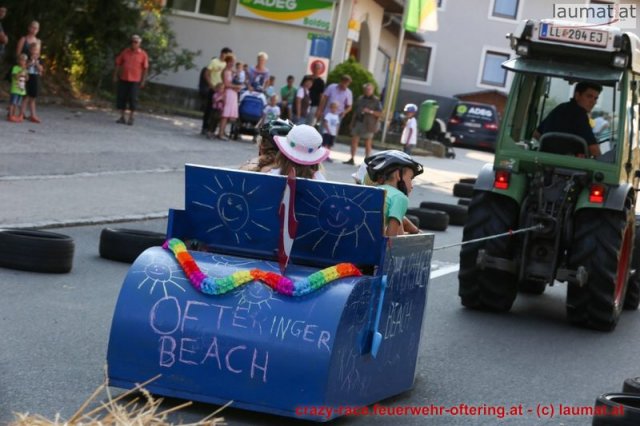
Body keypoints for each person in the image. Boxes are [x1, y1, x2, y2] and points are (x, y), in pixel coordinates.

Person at [533, 81, 602, 157]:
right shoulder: (580, 115)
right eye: (589, 96)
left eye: (595, 98)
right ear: (577, 95)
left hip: (544, 160)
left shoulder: (560, 108)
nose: (593, 102)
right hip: (569, 163)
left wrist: (551, 147)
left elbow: (536, 134)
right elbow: (594, 150)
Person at [365, 150, 424, 237]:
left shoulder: (374, 190)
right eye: (411, 178)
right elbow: (391, 238)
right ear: (398, 175)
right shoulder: (399, 197)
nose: (412, 185)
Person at [113, 34, 149, 125]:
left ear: (139, 43)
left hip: (135, 80)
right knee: (122, 98)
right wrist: (115, 75)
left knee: (133, 99)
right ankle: (122, 117)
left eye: (136, 42)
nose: (133, 44)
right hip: (124, 78)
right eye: (132, 42)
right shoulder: (125, 52)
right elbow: (118, 63)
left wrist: (143, 80)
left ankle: (131, 118)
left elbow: (145, 68)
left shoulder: (143, 54)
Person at [316, 75, 353, 159]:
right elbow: (324, 98)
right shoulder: (332, 87)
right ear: (341, 81)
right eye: (344, 82)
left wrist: (344, 112)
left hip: (337, 116)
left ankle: (327, 154)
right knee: (323, 133)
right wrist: (320, 110)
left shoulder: (348, 92)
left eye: (347, 83)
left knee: (332, 135)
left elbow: (349, 106)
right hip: (327, 114)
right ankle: (319, 153)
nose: (345, 84)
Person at [346, 83, 383, 164]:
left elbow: (380, 113)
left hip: (369, 124)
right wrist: (352, 122)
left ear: (372, 90)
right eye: (366, 89)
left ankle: (367, 161)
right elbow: (355, 112)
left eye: (369, 89)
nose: (367, 91)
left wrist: (370, 111)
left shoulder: (376, 100)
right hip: (358, 122)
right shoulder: (360, 98)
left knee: (368, 143)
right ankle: (352, 159)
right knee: (354, 140)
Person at [202, 47, 232, 135]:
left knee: (220, 111)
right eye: (226, 54)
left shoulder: (227, 64)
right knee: (209, 109)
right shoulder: (214, 61)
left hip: (223, 90)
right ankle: (205, 127)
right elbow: (206, 74)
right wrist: (212, 86)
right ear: (222, 53)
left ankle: (216, 129)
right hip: (214, 88)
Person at [218, 54, 242, 140]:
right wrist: (236, 86)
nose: (232, 63)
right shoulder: (226, 71)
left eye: (233, 62)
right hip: (228, 93)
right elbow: (226, 84)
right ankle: (220, 133)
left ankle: (223, 131)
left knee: (228, 115)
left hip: (233, 93)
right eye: (230, 62)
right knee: (225, 114)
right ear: (227, 62)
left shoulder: (232, 71)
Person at [21, 43, 44, 123]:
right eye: (33, 50)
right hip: (28, 77)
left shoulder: (39, 59)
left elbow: (41, 69)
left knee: (33, 97)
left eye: (36, 50)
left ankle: (33, 115)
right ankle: (22, 114)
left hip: (35, 78)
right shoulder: (27, 58)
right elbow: (24, 66)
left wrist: (36, 63)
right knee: (25, 96)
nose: (34, 51)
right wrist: (30, 62)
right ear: (30, 50)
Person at [8, 54, 28, 123]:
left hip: (21, 90)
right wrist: (21, 70)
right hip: (15, 89)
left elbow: (27, 79)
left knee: (17, 104)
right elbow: (16, 77)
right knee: (12, 103)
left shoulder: (25, 69)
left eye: (24, 61)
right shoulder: (15, 68)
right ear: (18, 61)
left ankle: (14, 115)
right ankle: (10, 115)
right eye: (21, 60)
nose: (23, 62)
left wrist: (26, 73)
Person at [308, 61, 326, 125]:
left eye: (318, 68)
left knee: (310, 124)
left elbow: (321, 96)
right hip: (304, 105)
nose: (316, 69)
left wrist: (319, 110)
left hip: (314, 105)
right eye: (315, 67)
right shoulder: (307, 78)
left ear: (320, 70)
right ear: (313, 68)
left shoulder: (321, 82)